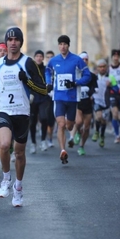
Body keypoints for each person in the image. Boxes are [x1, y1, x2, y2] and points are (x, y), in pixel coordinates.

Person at [0, 27, 47, 207]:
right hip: (3, 109)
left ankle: (18, 188)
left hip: (21, 111)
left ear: (21, 42)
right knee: (3, 145)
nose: (13, 43)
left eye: (16, 40)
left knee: (19, 152)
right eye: (10, 39)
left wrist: (26, 80)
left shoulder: (28, 63)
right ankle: (5, 179)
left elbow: (42, 89)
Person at [45, 35, 91, 164]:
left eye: (65, 44)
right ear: (58, 46)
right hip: (59, 97)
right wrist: (49, 82)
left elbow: (87, 75)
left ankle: (73, 132)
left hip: (72, 98)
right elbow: (47, 71)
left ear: (68, 45)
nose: (62, 46)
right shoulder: (54, 60)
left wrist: (76, 83)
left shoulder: (77, 60)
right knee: (61, 124)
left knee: (70, 125)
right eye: (60, 44)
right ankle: (63, 150)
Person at [71, 52, 97, 155]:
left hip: (88, 103)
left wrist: (92, 93)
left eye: (86, 59)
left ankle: (81, 146)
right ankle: (76, 132)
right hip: (78, 102)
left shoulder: (92, 76)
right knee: (78, 121)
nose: (85, 61)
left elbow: (95, 88)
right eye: (83, 60)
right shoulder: (75, 75)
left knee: (86, 127)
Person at [91, 59, 118, 148]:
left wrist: (111, 86)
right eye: (100, 67)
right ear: (97, 68)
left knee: (103, 120)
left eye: (103, 66)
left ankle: (102, 136)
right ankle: (96, 132)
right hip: (97, 101)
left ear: (106, 67)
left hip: (106, 102)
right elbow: (90, 87)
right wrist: (90, 94)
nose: (102, 68)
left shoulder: (111, 77)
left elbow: (117, 89)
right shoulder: (94, 77)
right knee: (98, 116)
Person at [29, 49, 51, 153]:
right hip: (33, 98)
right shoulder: (31, 69)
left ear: (43, 58)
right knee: (32, 122)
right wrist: (29, 94)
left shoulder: (46, 70)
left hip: (43, 98)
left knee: (44, 117)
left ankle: (43, 140)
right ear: (34, 58)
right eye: (37, 56)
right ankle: (33, 143)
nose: (39, 58)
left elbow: (49, 81)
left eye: (40, 56)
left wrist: (49, 88)